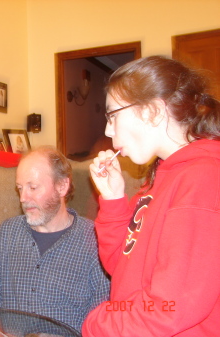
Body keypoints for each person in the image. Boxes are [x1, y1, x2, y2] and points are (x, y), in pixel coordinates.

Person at [83, 56, 220, 336]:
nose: (108, 131)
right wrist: (112, 200)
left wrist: (97, 323)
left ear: (153, 112)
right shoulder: (157, 181)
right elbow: (119, 267)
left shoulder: (202, 180)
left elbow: (169, 308)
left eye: (113, 115)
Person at [0, 146, 110, 332]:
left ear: (62, 186)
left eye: (33, 187)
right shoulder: (7, 234)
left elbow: (103, 312)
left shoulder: (95, 240)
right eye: (20, 188)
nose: (23, 198)